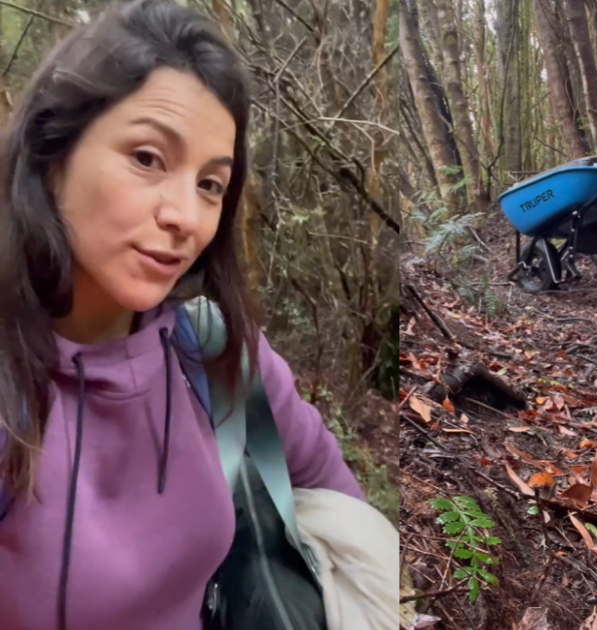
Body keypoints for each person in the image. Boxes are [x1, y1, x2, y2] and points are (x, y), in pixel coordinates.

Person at [0, 2, 364, 629]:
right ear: (51, 155)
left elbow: (331, 492)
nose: (186, 217)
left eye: (210, 184)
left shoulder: (217, 350)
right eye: (147, 158)